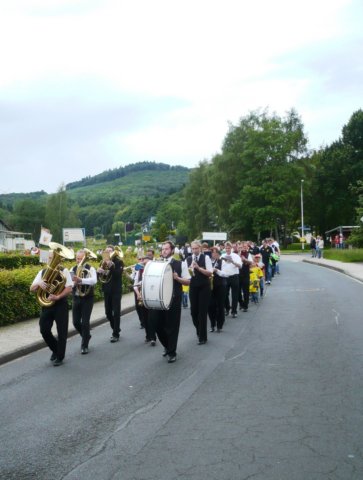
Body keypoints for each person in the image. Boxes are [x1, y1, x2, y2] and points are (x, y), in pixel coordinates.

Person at [149, 241, 190, 363]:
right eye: (162, 249)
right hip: (159, 299)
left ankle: (172, 352)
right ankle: (167, 345)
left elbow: (188, 282)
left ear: (172, 250)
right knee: (156, 323)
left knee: (172, 326)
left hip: (174, 298)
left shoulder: (180, 264)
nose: (164, 251)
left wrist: (177, 278)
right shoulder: (157, 264)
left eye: (166, 249)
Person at [30, 251, 73, 366]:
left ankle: (60, 356)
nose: (50, 260)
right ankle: (55, 349)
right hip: (47, 305)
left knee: (62, 331)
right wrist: (39, 284)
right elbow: (31, 288)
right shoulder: (42, 272)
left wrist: (58, 296)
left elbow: (69, 288)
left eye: (52, 258)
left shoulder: (64, 271)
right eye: (49, 258)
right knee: (44, 330)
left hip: (60, 305)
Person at [71, 249, 97, 354]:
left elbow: (94, 281)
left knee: (85, 322)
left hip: (87, 298)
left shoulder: (90, 268)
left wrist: (81, 280)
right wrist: (74, 283)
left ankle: (84, 345)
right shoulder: (72, 268)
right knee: (75, 322)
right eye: (77, 258)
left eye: (81, 259)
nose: (79, 261)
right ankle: (86, 336)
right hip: (76, 297)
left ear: (85, 258)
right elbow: (69, 283)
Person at [187, 241, 213, 344]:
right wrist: (190, 270)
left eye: (196, 248)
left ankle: (203, 337)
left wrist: (198, 268)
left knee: (202, 312)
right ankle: (199, 330)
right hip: (193, 287)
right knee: (193, 312)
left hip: (204, 287)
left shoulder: (205, 258)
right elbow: (186, 275)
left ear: (200, 248)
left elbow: (210, 273)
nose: (194, 250)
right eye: (193, 249)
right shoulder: (188, 259)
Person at [97, 245, 124, 343]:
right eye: (106, 251)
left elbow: (117, 274)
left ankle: (115, 334)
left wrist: (111, 266)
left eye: (110, 251)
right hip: (107, 291)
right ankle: (115, 328)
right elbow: (100, 278)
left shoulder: (119, 262)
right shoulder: (102, 262)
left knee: (116, 312)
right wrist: (98, 272)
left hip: (116, 290)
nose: (108, 253)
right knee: (108, 313)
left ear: (113, 252)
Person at [133, 254, 157, 346]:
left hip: (151, 295)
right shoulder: (139, 271)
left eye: (146, 262)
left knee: (151, 317)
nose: (144, 263)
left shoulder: (153, 271)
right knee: (145, 317)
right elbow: (135, 284)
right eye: (143, 262)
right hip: (141, 295)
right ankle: (148, 335)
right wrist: (138, 294)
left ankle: (153, 337)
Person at [208, 246, 228, 332]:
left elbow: (226, 274)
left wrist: (217, 271)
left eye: (215, 252)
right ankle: (212, 324)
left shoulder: (222, 261)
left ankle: (220, 325)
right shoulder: (208, 262)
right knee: (210, 306)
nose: (213, 254)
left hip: (220, 286)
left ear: (218, 254)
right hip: (210, 286)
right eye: (212, 252)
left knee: (220, 305)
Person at [222, 241, 242, 318]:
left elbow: (240, 266)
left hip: (234, 276)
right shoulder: (222, 256)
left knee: (235, 295)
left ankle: (234, 311)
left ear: (231, 248)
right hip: (225, 277)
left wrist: (233, 262)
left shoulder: (236, 256)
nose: (227, 249)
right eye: (226, 248)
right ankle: (227, 308)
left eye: (229, 248)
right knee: (224, 294)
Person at [238, 242, 253, 312]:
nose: (243, 248)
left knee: (245, 291)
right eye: (242, 246)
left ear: (247, 247)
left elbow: (251, 263)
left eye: (245, 247)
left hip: (246, 274)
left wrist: (245, 260)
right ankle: (241, 303)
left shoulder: (248, 254)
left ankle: (245, 306)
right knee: (237, 291)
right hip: (238, 274)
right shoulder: (237, 254)